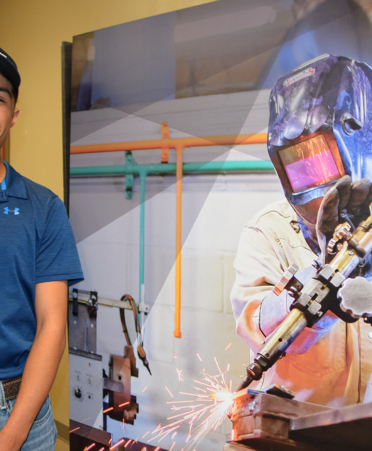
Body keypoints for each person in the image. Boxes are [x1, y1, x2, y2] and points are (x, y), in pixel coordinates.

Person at [231, 54, 372, 408]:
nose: (317, 189)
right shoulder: (269, 231)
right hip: (298, 431)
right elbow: (258, 328)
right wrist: (323, 273)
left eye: (323, 156)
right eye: (298, 162)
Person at [0, 48, 83, 450]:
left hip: (23, 416)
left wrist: (12, 435)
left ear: (14, 115)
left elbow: (52, 324)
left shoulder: (44, 209)